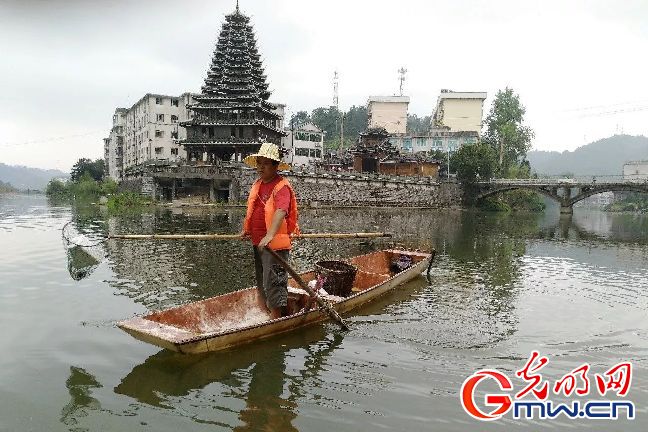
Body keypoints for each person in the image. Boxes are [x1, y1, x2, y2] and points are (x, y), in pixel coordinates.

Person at [240, 143, 299, 319]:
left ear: (275, 166)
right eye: (259, 163)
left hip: (274, 245)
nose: (261, 167)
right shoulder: (258, 184)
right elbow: (255, 210)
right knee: (261, 280)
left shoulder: (281, 186)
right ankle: (264, 313)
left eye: (266, 163)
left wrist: (270, 235)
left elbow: (281, 211)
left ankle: (276, 317)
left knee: (274, 281)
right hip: (258, 242)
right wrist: (248, 230)